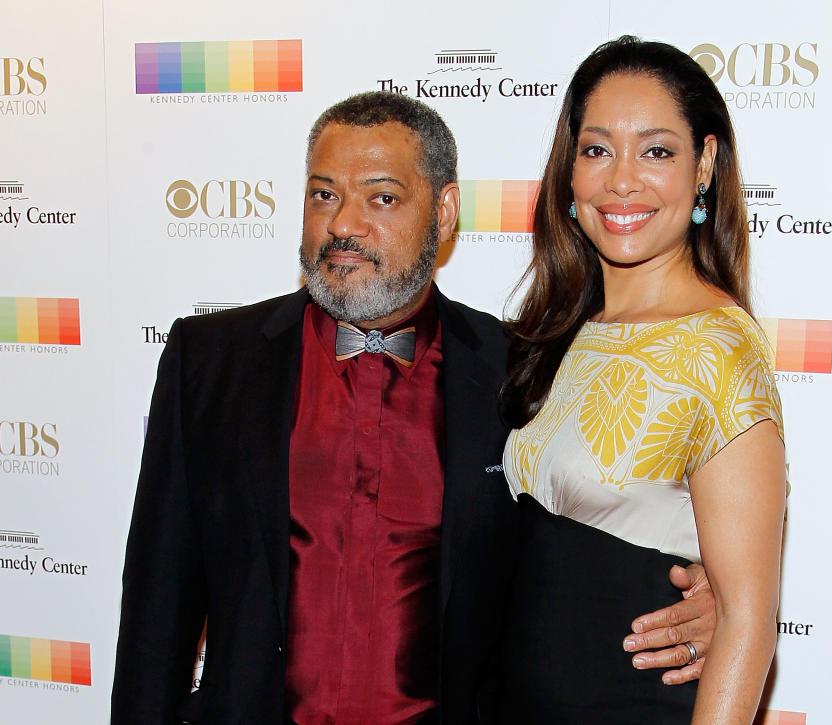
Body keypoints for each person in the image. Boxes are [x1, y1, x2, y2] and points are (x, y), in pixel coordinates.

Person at [111, 90, 718, 725]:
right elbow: (158, 609)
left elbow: (590, 540)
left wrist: (707, 595)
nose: (343, 223)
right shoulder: (210, 362)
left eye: (382, 197)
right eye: (324, 195)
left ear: (445, 210)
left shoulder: (522, 369)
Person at [498, 37, 786, 724]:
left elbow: (747, 619)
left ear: (705, 163)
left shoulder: (720, 347)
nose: (622, 181)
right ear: (571, 170)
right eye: (597, 150)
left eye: (656, 150)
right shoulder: (550, 333)